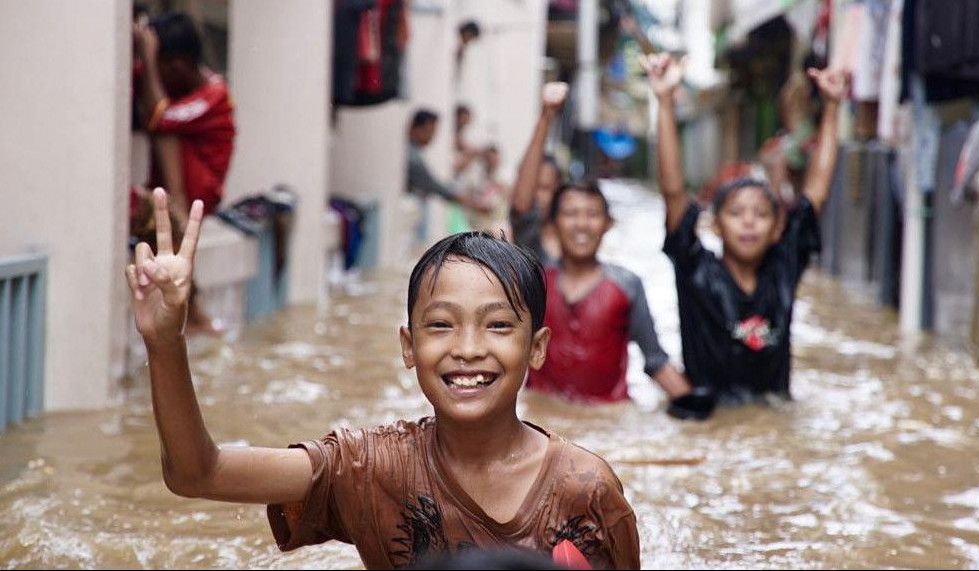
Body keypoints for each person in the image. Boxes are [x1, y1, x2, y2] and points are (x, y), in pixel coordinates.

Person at [124, 191, 640, 570]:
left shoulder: (586, 490)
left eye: (498, 325)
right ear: (408, 347)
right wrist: (165, 342)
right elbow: (198, 474)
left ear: (538, 349)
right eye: (440, 325)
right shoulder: (370, 468)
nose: (467, 348)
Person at [642, 53, 846, 418]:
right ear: (716, 225)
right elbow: (674, 192)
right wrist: (664, 100)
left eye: (761, 214)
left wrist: (832, 107)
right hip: (708, 418)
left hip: (773, 414)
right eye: (736, 214)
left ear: (777, 228)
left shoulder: (783, 267)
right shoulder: (695, 269)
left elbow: (816, 193)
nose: (749, 223)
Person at [524, 181, 691, 404]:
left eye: (592, 214)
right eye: (571, 213)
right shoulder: (537, 279)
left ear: (608, 223)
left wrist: (695, 409)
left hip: (607, 417)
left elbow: (656, 361)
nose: (582, 224)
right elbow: (522, 213)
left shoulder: (627, 285)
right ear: (553, 223)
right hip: (543, 416)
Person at [132, 10, 235, 336]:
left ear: (177, 65)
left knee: (166, 128)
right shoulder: (175, 84)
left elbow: (163, 119)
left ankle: (199, 318)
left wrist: (148, 57)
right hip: (166, 193)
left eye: (159, 64)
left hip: (196, 197)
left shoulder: (215, 95)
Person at [510, 83, 568, 264]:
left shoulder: (573, 242)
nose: (537, 196)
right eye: (533, 187)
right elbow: (522, 205)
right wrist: (546, 117)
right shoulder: (526, 239)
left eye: (545, 188)